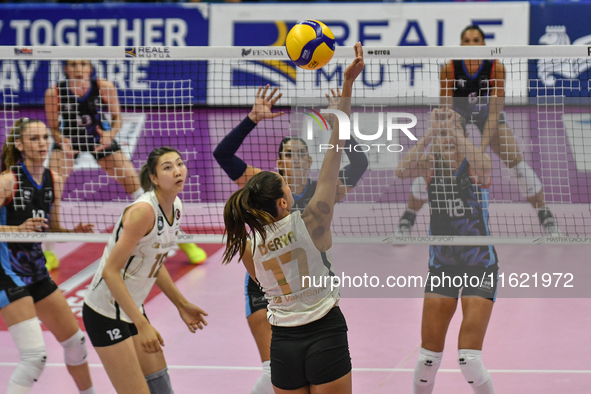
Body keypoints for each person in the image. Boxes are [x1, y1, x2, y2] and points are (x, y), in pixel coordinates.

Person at [222, 42, 364, 394]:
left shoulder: (245, 240)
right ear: (284, 202)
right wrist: (346, 90)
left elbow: (258, 279)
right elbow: (337, 152)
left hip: (283, 337)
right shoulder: (313, 217)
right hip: (323, 329)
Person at [394, 24, 560, 238]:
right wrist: (450, 133)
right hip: (456, 116)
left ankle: (544, 214)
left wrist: (479, 151)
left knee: (514, 158)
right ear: (461, 44)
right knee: (434, 160)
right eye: (467, 40)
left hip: (486, 115)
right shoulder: (450, 69)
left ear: (483, 44)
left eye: (476, 40)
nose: (471, 44)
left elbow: (494, 113)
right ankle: (408, 216)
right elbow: (446, 110)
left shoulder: (496, 68)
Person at [44, 59, 207, 269]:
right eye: (73, 65)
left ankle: (182, 239)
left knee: (140, 189)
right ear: (66, 68)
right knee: (52, 188)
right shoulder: (54, 93)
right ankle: (48, 252)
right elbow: (54, 129)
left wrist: (109, 135)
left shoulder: (103, 87)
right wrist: (61, 141)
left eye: (82, 65)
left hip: (99, 139)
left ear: (90, 68)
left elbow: (117, 118)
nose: (78, 69)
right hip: (69, 142)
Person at [82, 146, 208, 394]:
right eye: (167, 167)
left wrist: (181, 304)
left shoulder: (176, 207)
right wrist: (142, 324)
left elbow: (154, 261)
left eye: (179, 164)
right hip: (105, 313)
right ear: (153, 178)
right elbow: (110, 271)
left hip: (131, 308)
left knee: (161, 388)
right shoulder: (142, 213)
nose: (177, 171)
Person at [396, 108, 497, 394]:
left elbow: (486, 164)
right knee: (428, 360)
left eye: (455, 134)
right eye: (444, 136)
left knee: (469, 360)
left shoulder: (475, 169)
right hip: (442, 266)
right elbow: (401, 171)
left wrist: (452, 131)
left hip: (480, 265)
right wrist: (433, 133)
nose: (448, 140)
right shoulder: (430, 166)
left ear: (464, 136)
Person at [0, 118, 96, 394]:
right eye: (34, 139)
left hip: (37, 272)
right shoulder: (8, 180)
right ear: (19, 145)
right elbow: (19, 229)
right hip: (7, 275)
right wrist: (15, 230)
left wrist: (73, 231)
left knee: (76, 342)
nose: (42, 144)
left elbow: (52, 227)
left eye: (45, 138)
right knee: (34, 358)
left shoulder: (53, 178)